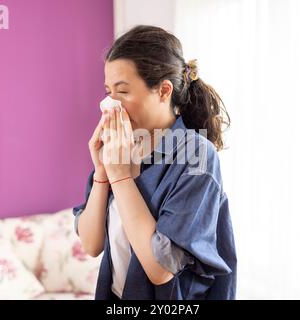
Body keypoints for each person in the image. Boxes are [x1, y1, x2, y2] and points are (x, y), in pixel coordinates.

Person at [73, 25, 236, 300]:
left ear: (163, 90)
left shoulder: (197, 155)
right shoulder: (122, 147)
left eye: (122, 91)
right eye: (108, 92)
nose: (108, 105)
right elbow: (91, 244)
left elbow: (161, 268)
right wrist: (103, 173)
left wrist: (121, 177)